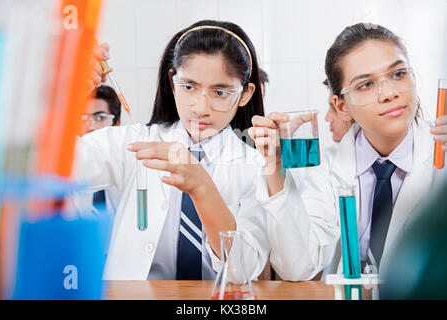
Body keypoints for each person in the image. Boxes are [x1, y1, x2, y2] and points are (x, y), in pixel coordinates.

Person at [72, 20, 271, 281]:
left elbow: (243, 270)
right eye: (189, 87)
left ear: (244, 94)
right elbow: (49, 168)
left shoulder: (256, 166)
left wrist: (202, 187)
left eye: (220, 92)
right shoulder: (133, 143)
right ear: (172, 82)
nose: (201, 108)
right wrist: (69, 94)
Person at [248, 23, 447, 281]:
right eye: (365, 85)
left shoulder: (440, 156)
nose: (389, 93)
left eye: (398, 74)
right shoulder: (327, 167)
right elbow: (298, 268)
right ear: (341, 106)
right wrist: (275, 168)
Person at [80, 85, 122, 216]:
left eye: (100, 118)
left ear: (116, 124)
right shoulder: (70, 173)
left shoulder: (129, 167)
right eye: (84, 119)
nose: (90, 127)